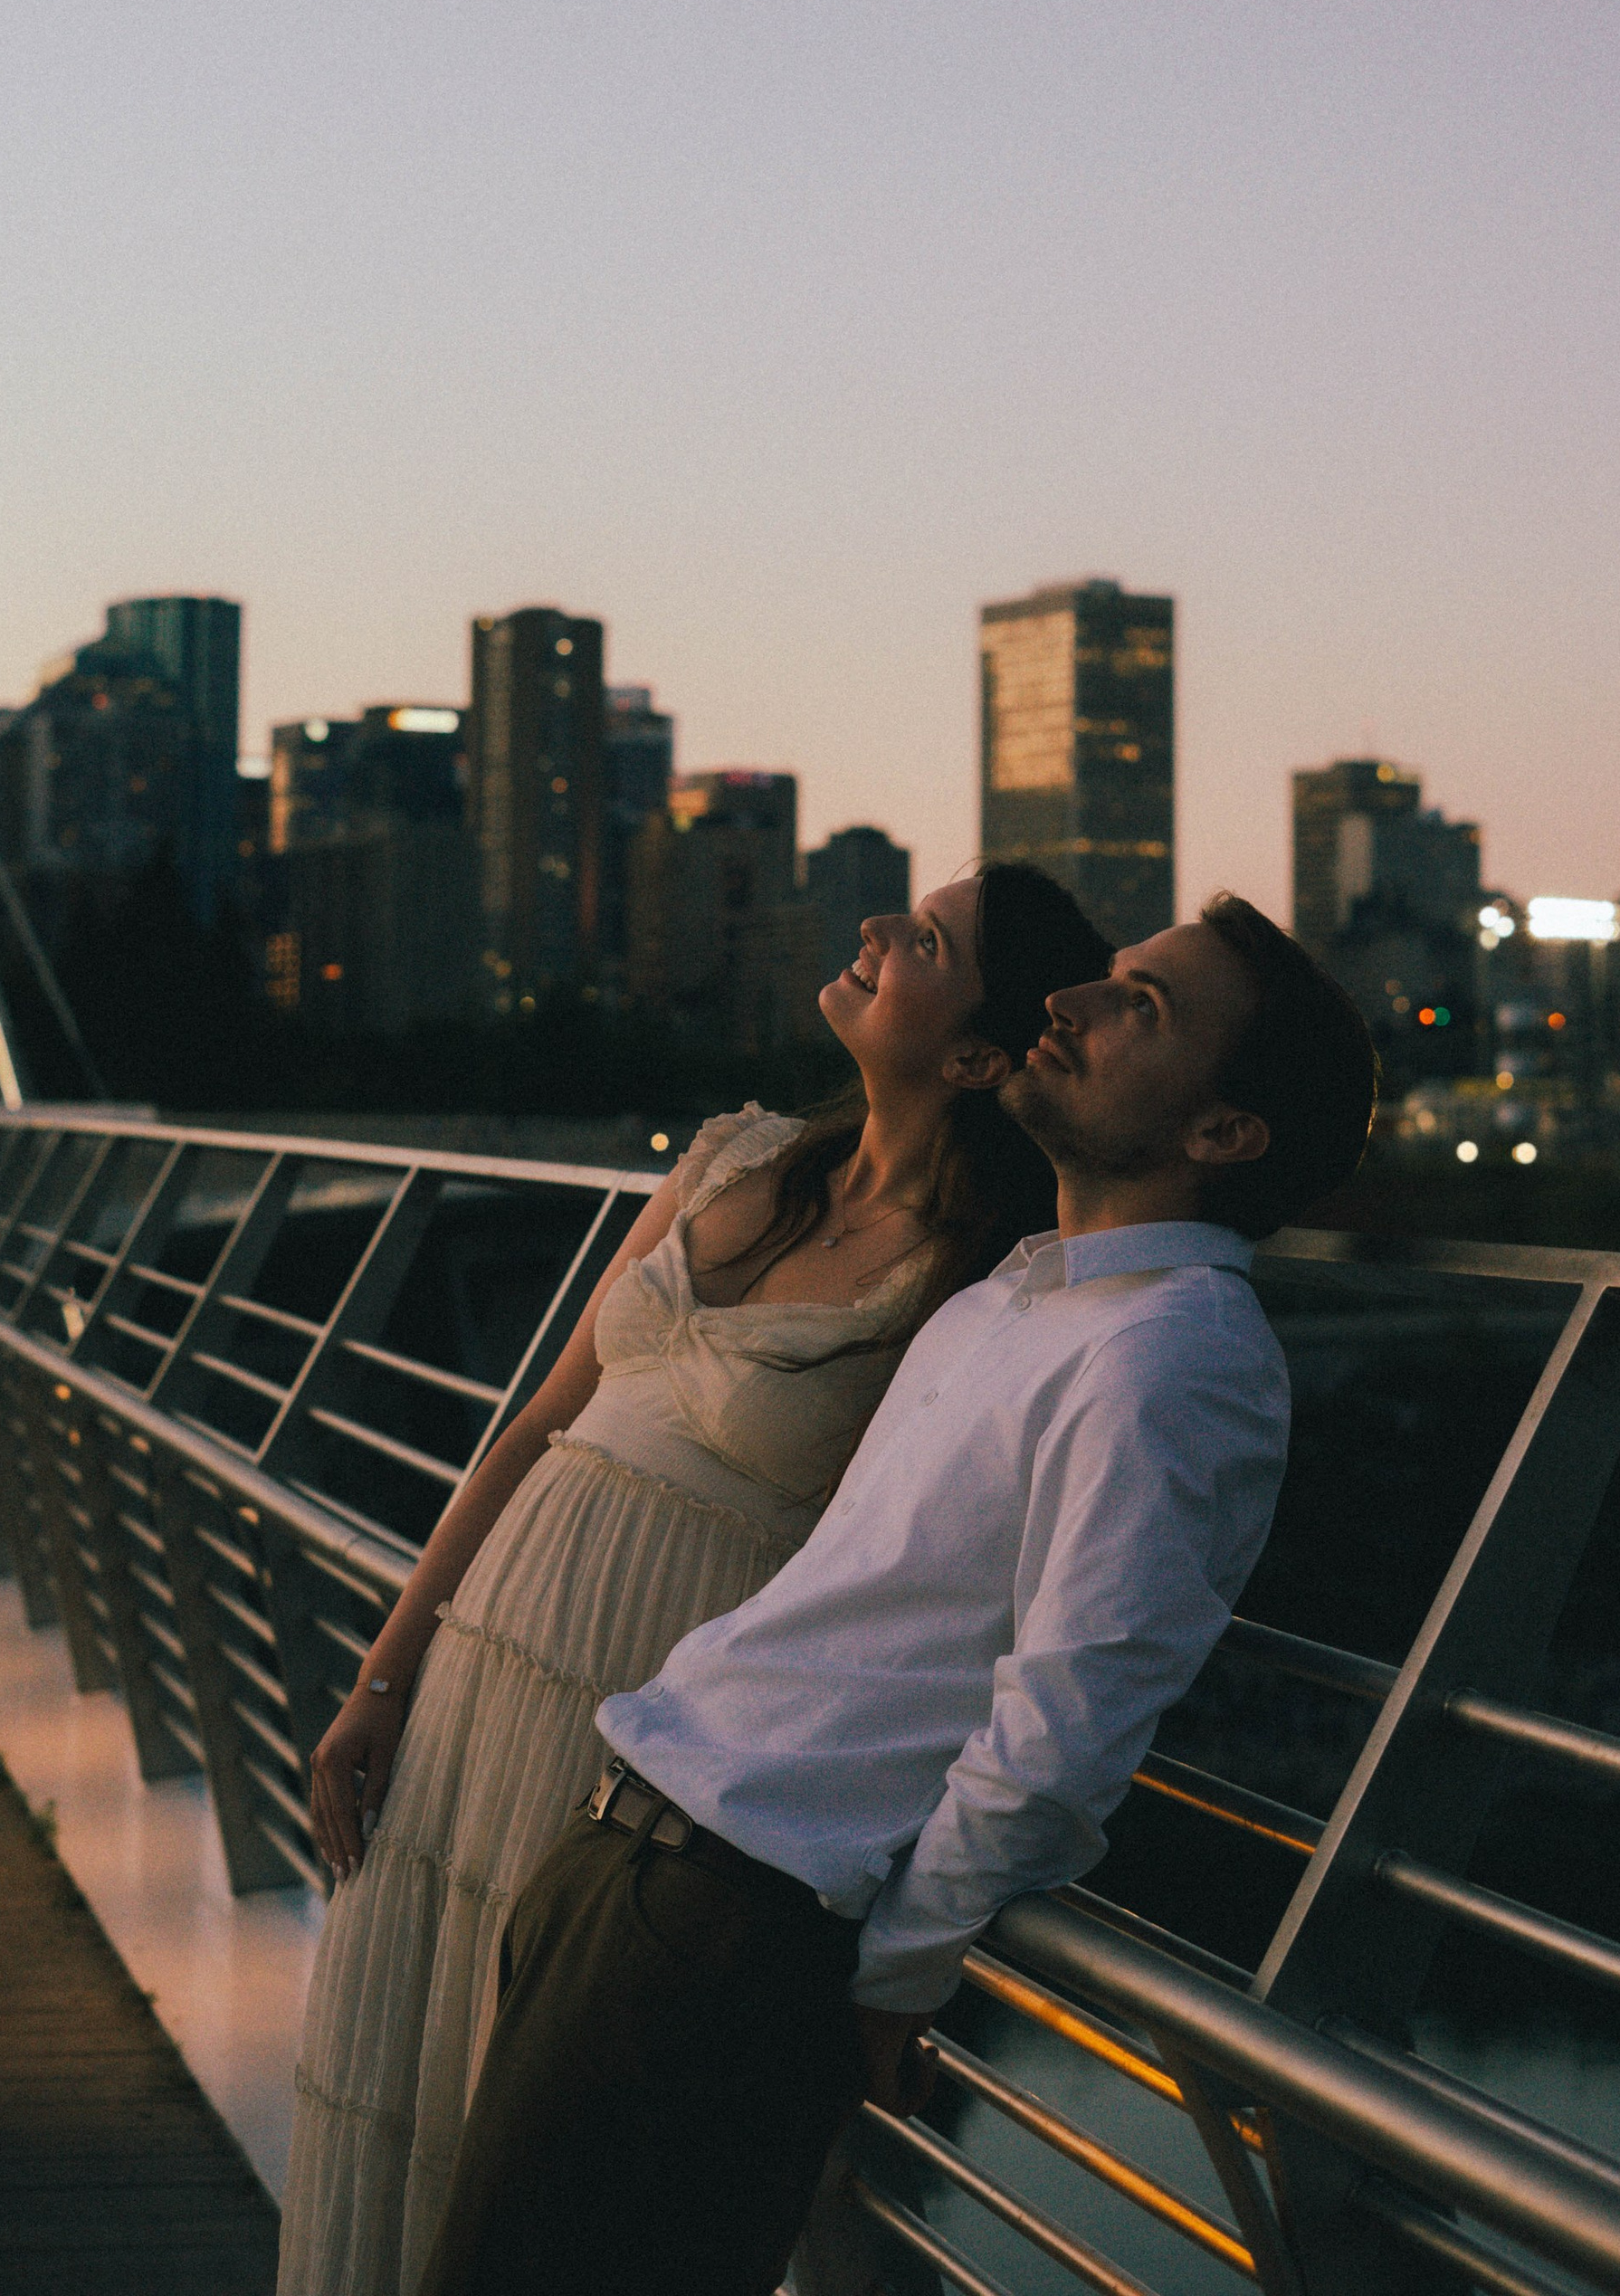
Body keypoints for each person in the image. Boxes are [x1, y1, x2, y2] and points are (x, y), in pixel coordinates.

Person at [412, 891, 1377, 2296]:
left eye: (1140, 1008)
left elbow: (1065, 1729)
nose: (1074, 1005)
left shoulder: (1179, 1359)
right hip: (623, 1857)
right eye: (1102, 981)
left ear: (1223, 1134)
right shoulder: (1010, 1303)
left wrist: (895, 1979)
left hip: (728, 1927)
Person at [277, 860, 1113, 2296]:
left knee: (538, 2141)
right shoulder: (738, 1157)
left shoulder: (978, 1286)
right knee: (402, 2074)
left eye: (920, 940)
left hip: (647, 1724)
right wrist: (381, 1678)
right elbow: (537, 1427)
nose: (870, 932)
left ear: (979, 1055)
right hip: (481, 1669)